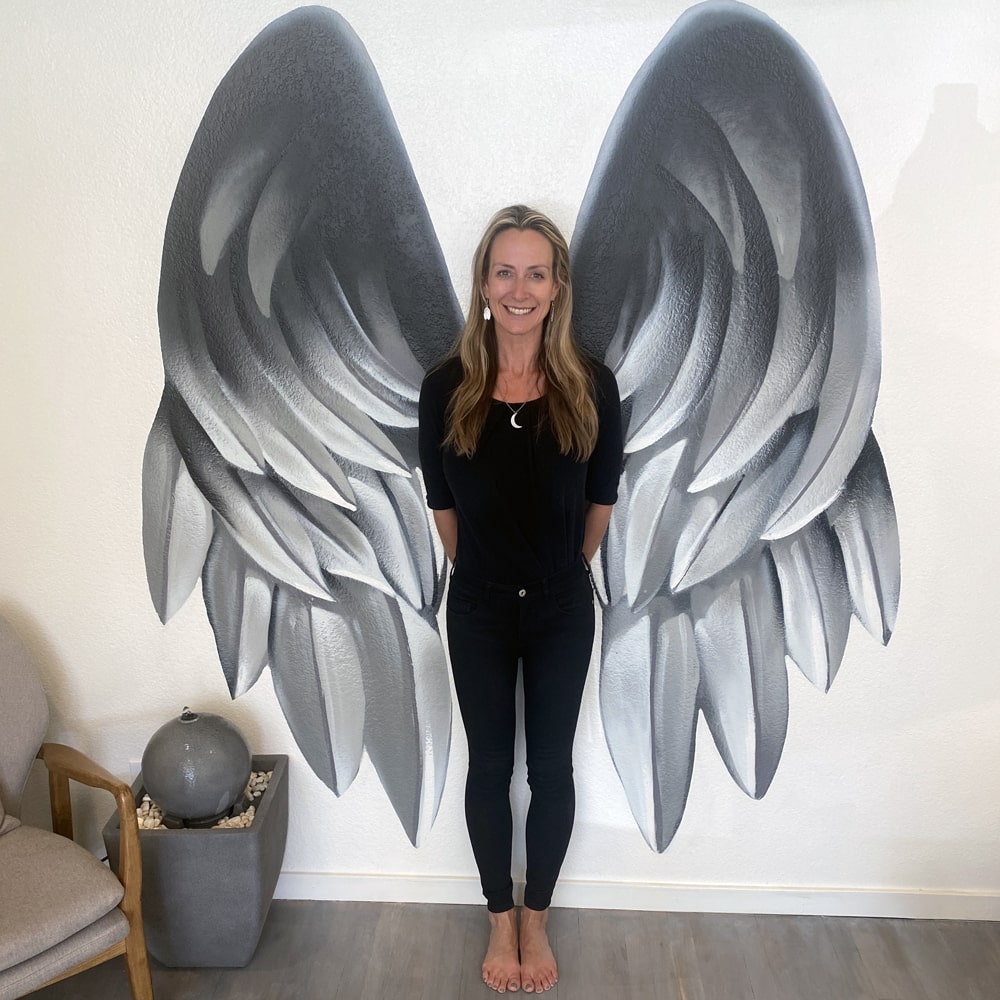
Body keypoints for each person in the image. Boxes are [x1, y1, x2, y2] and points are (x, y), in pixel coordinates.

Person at [418, 205, 623, 994]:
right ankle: (497, 917)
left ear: (557, 287)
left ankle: (536, 917)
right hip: (476, 607)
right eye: (504, 271)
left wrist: (556, 573)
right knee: (489, 767)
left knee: (551, 770)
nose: (519, 288)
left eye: (535, 272)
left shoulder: (590, 386)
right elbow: (443, 505)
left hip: (563, 608)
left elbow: (599, 503)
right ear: (482, 283)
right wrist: (491, 577)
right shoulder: (446, 388)